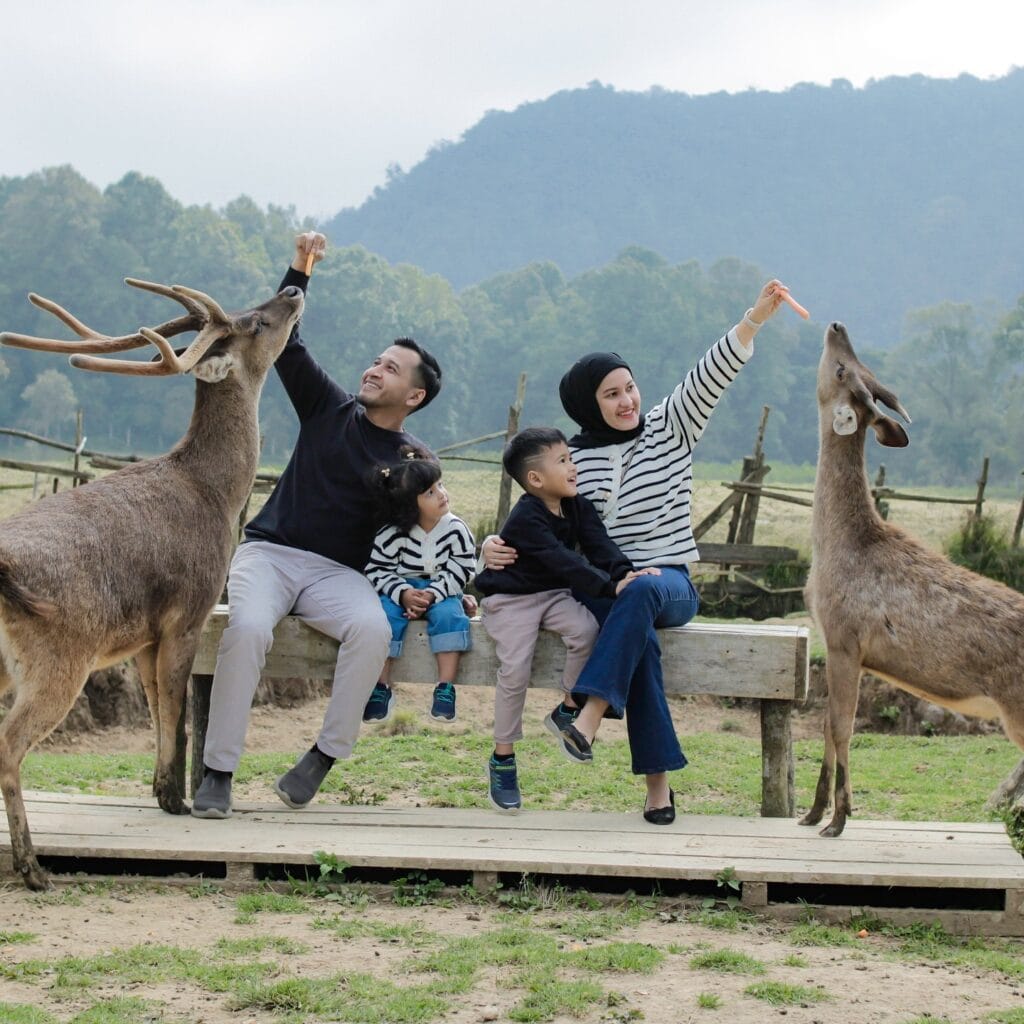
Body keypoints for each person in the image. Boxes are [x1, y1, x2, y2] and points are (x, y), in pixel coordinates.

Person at [482, 282, 787, 824]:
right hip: (601, 588)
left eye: (629, 387)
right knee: (638, 643)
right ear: (586, 404)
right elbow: (538, 515)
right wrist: (491, 544)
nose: (627, 401)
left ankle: (590, 710)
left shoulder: (672, 428)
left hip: (667, 582)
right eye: (611, 394)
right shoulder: (569, 457)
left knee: (643, 592)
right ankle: (658, 790)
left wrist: (753, 320)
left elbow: (709, 375)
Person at [191, 231, 443, 818]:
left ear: (416, 393)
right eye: (377, 361)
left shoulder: (412, 460)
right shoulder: (329, 406)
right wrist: (301, 268)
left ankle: (322, 758)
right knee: (249, 628)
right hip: (271, 555)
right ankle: (217, 771)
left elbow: (422, 520)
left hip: (337, 573)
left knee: (372, 630)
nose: (375, 369)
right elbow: (287, 335)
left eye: (391, 368)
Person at [474, 426, 658, 813]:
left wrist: (623, 574)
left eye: (570, 458)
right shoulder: (527, 517)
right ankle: (503, 757)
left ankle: (569, 707)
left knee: (587, 629)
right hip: (511, 600)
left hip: (553, 595)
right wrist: (610, 589)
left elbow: (598, 544)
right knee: (515, 669)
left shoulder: (576, 505)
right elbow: (565, 561)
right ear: (536, 479)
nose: (572, 467)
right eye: (562, 461)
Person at [363, 446, 477, 723]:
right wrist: (402, 594)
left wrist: (435, 593)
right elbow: (377, 569)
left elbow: (463, 567)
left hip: (443, 588)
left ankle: (445, 687)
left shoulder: (455, 529)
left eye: (440, 485)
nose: (442, 494)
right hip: (400, 589)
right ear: (408, 504)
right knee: (382, 619)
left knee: (451, 617)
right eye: (430, 492)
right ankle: (381, 686)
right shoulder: (392, 533)